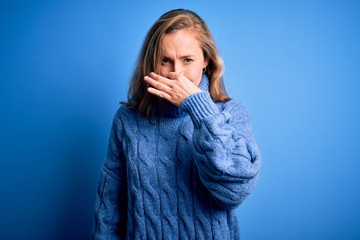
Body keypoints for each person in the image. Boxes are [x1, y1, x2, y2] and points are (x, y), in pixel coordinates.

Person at [92, 9, 261, 240]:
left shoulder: (230, 113)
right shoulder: (127, 120)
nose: (176, 73)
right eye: (165, 61)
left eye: (187, 60)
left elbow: (234, 192)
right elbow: (109, 206)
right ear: (152, 62)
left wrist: (200, 109)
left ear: (206, 61)